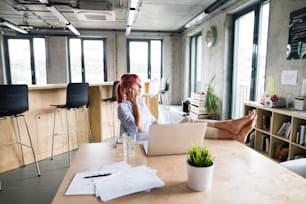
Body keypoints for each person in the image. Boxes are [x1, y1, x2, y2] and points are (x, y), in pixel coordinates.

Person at [117, 73, 256, 143]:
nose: (142, 87)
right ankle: (232, 131)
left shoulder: (140, 102)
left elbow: (153, 121)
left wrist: (164, 129)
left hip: (159, 135)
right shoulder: (122, 108)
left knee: (188, 120)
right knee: (189, 127)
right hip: (149, 142)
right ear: (128, 88)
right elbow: (139, 128)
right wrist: (134, 104)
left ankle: (231, 129)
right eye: (138, 85)